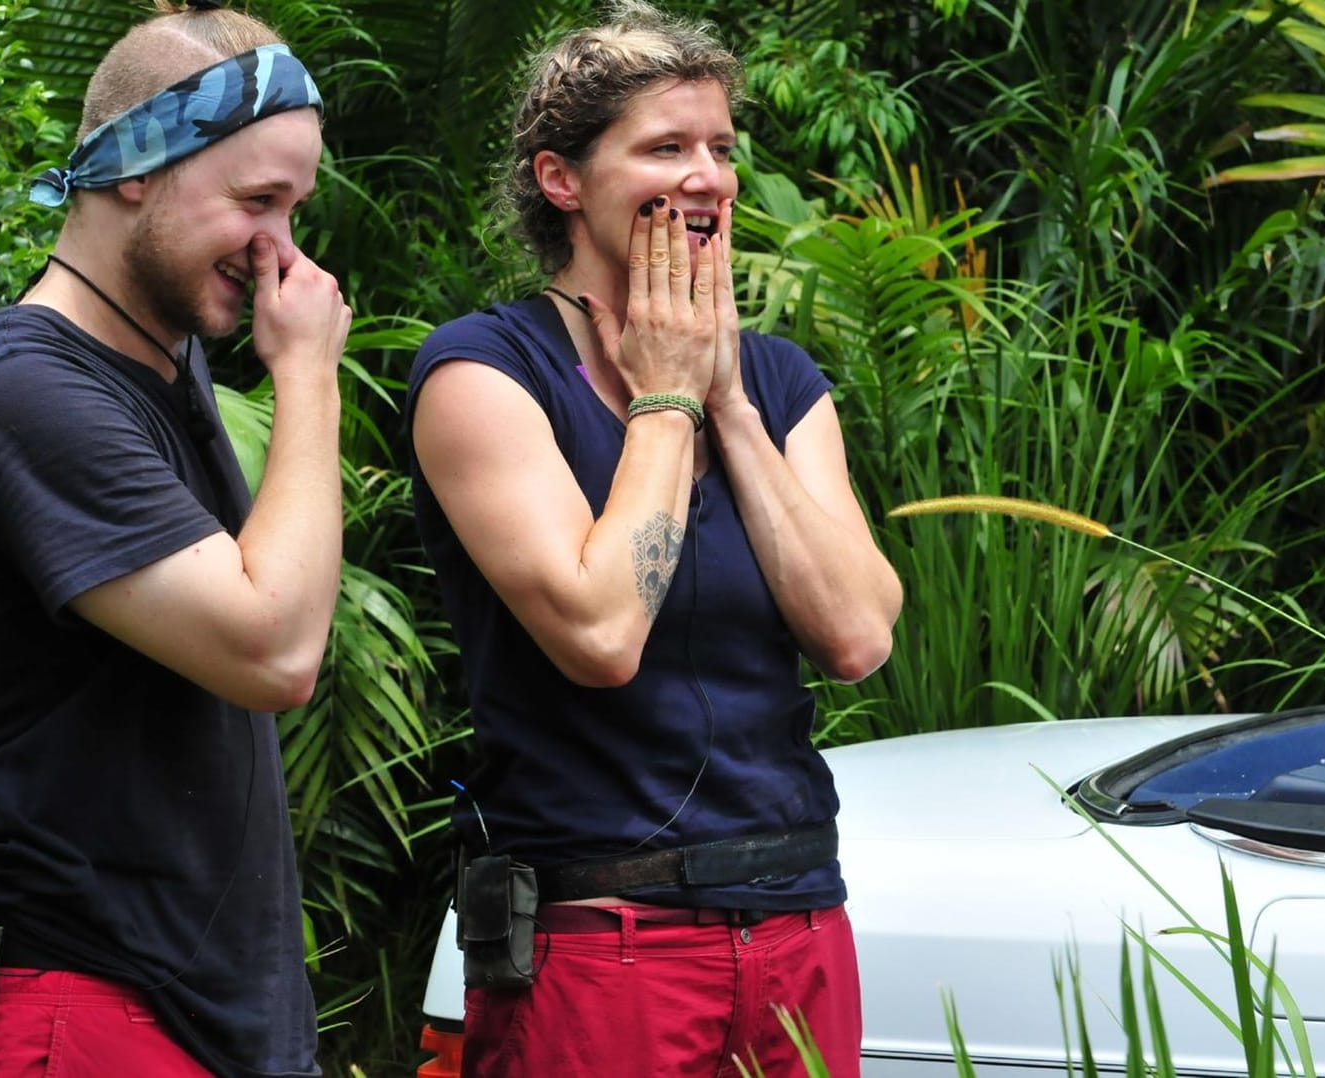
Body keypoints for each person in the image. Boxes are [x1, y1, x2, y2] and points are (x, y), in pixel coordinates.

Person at [405, 2, 903, 1074]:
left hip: (797, 918)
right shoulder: (483, 373)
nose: (709, 175)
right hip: (600, 939)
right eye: (666, 147)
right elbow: (601, 631)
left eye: (721, 148)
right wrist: (666, 397)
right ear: (562, 180)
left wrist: (724, 399)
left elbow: (860, 634)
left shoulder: (776, 382)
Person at [0, 1, 350, 1075]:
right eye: (256, 201)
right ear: (137, 166)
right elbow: (272, 648)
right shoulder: (22, 393)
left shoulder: (164, 362)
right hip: (68, 1010)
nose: (282, 250)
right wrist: (309, 375)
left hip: (181, 1013)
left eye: (296, 206)